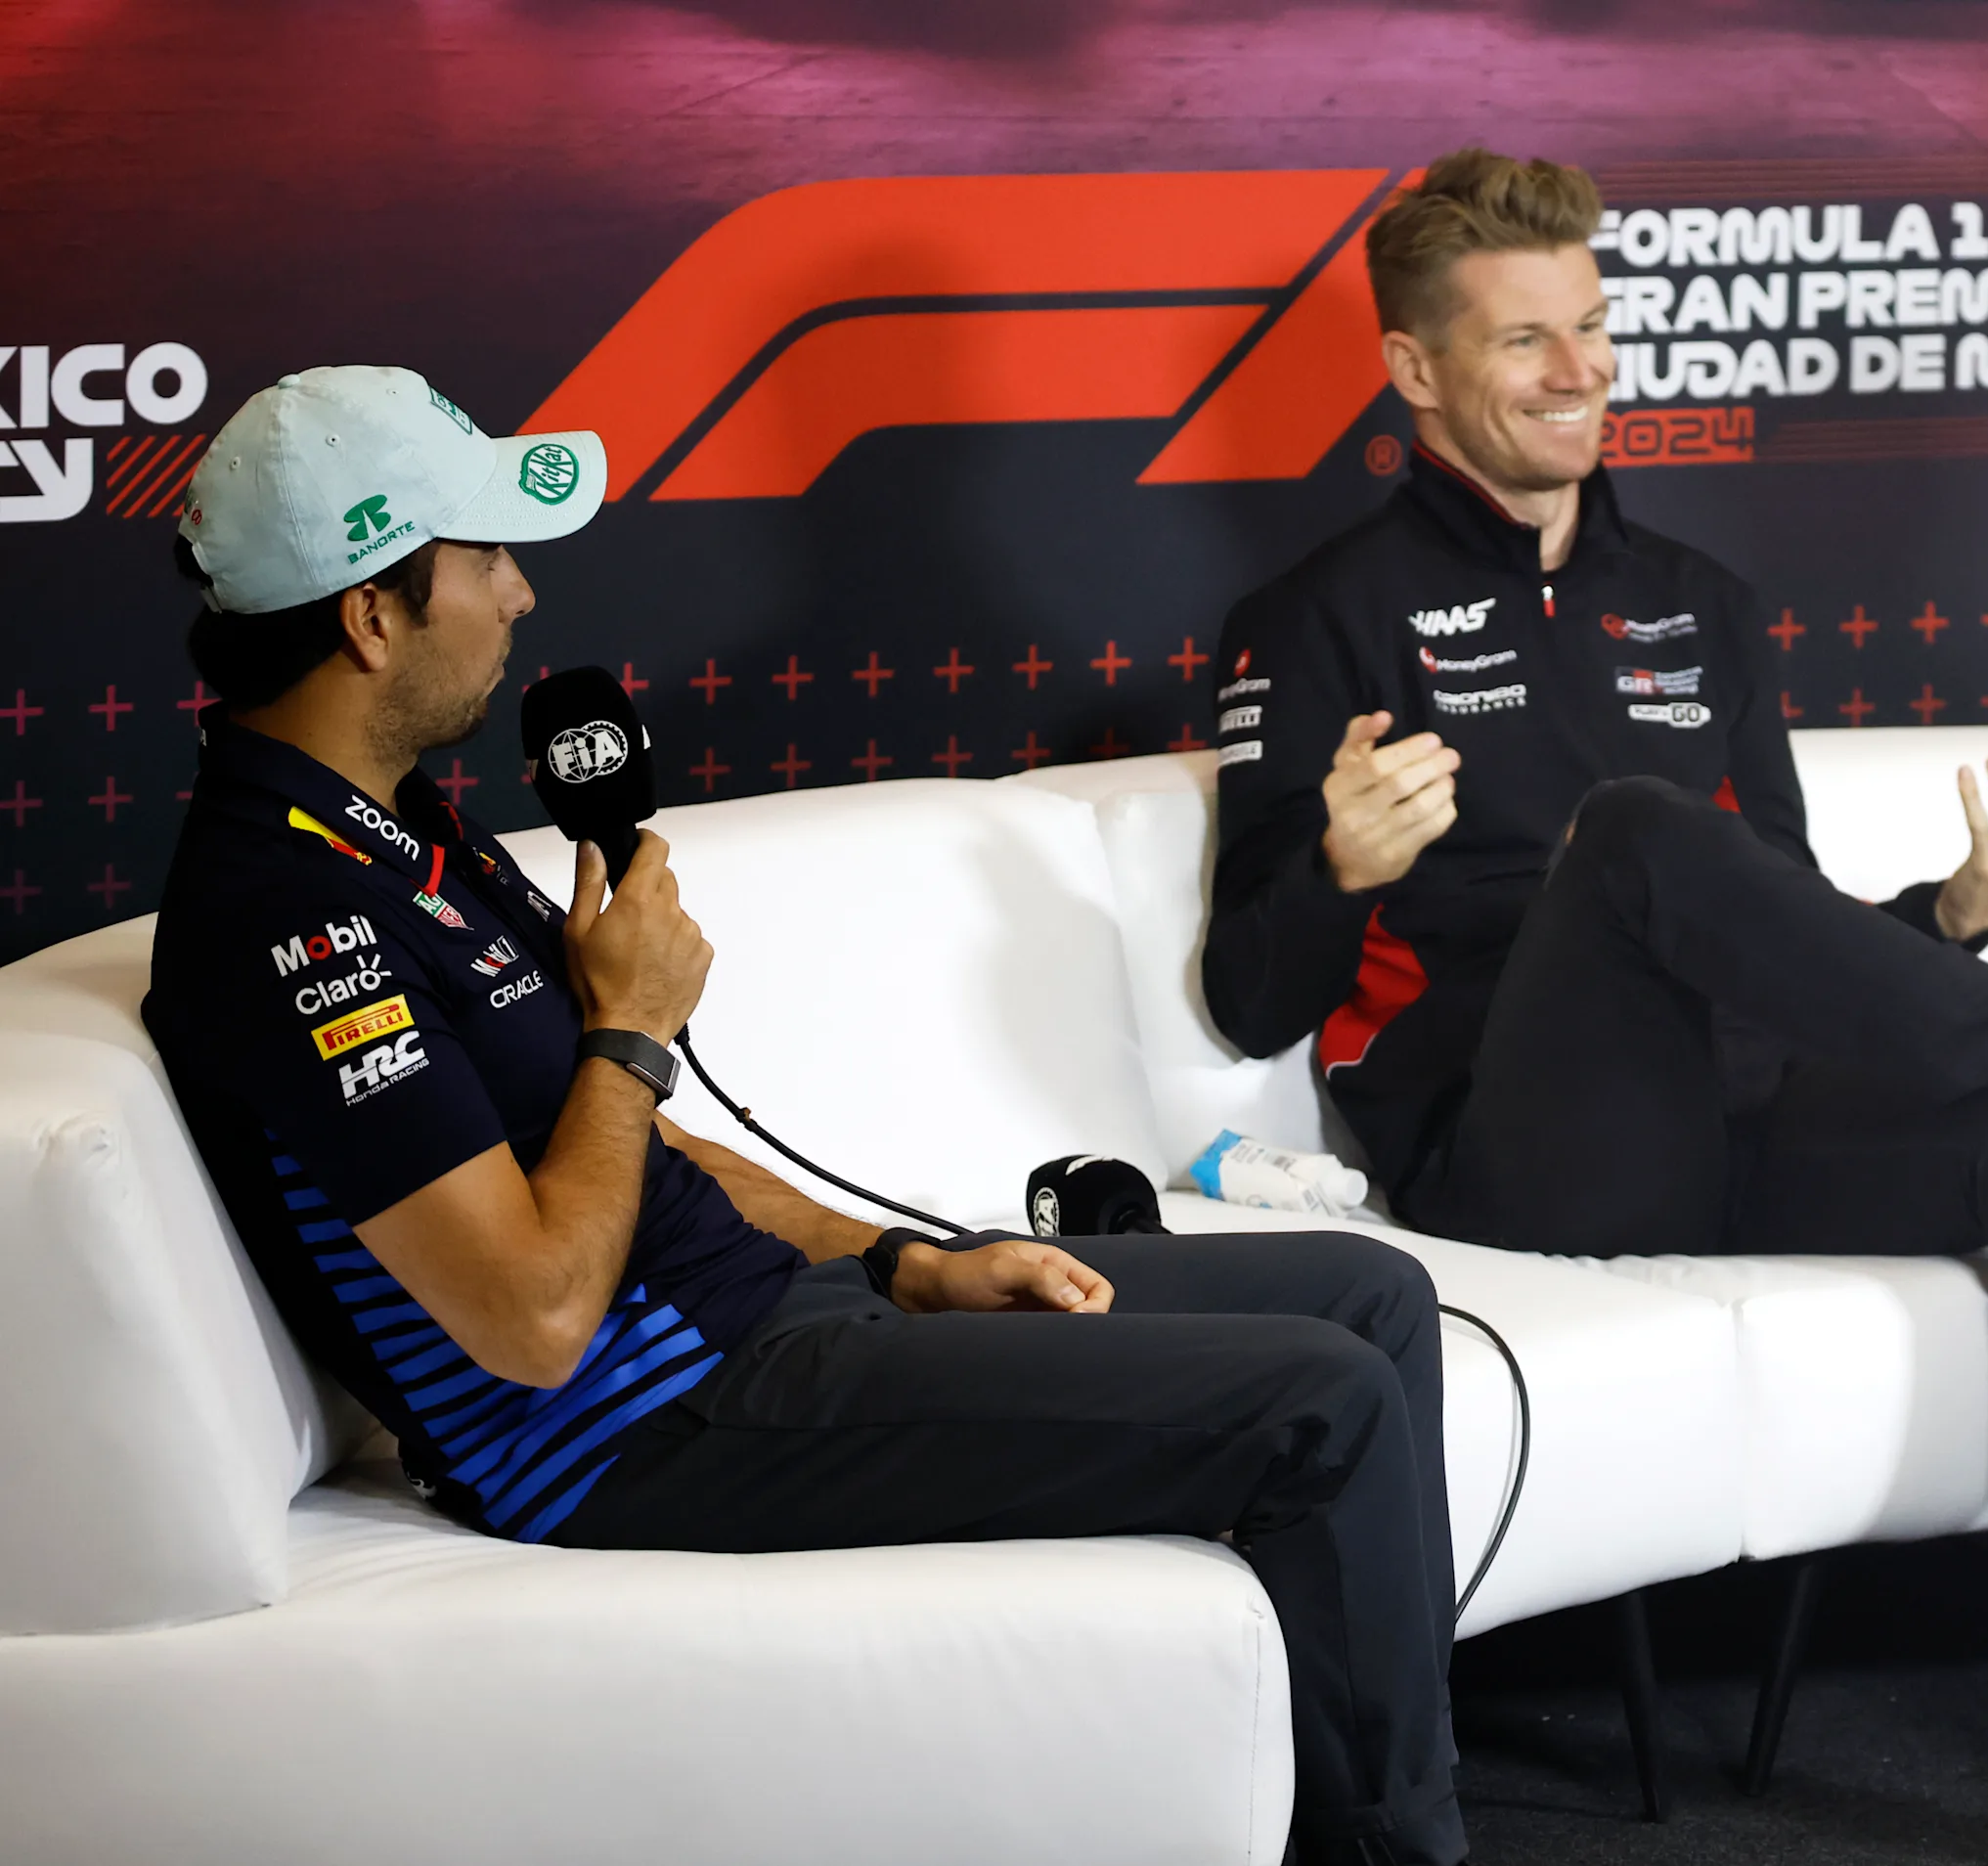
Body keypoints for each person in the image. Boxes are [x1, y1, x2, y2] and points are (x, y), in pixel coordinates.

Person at [1204, 146, 1988, 1866]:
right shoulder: (1316, 621)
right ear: (1415, 371)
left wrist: (1948, 917)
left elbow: (1775, 936)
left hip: (1743, 1109)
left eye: (1593, 327)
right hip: (1519, 1153)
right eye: (1523, 343)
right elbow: (1250, 997)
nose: (1583, 374)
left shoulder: (1702, 609)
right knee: (1634, 833)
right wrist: (1335, 869)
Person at [142, 368, 1468, 1866]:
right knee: (1322, 1406)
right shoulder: (285, 911)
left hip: (777, 1316)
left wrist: (910, 1258)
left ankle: (1358, 1802)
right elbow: (531, 1321)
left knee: (1373, 1292)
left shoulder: (403, 832)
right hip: (644, 1431)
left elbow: (648, 1152)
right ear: (372, 617)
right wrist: (630, 1030)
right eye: (484, 559)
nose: (520, 596)